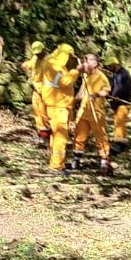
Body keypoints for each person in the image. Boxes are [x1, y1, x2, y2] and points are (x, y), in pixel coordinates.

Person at [40, 43, 82, 173]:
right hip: (58, 105)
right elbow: (65, 82)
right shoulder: (54, 65)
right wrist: (76, 71)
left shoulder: (54, 63)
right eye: (69, 56)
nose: (70, 59)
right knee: (60, 136)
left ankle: (56, 162)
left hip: (59, 104)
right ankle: (57, 166)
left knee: (56, 135)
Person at [71, 52, 112, 174]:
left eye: (86, 61)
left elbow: (106, 92)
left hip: (96, 112)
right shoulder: (86, 76)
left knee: (100, 137)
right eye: (84, 61)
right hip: (83, 112)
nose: (84, 64)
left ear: (94, 63)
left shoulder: (101, 77)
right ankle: (76, 160)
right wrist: (72, 101)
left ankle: (104, 161)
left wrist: (96, 95)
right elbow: (82, 92)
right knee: (79, 136)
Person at [21, 40, 50, 145]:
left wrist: (44, 91)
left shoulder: (49, 61)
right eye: (36, 53)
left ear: (44, 50)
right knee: (37, 113)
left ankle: (48, 136)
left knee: (44, 114)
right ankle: (41, 135)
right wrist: (25, 65)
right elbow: (31, 63)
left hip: (45, 91)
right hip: (36, 90)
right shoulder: (35, 57)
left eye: (39, 53)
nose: (38, 55)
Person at [105, 55, 131, 155]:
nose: (108, 68)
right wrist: (110, 95)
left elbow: (127, 87)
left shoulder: (123, 74)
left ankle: (118, 145)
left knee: (119, 124)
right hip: (118, 103)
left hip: (123, 103)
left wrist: (117, 96)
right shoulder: (115, 75)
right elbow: (114, 87)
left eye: (109, 66)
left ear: (114, 64)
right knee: (120, 123)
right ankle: (122, 143)